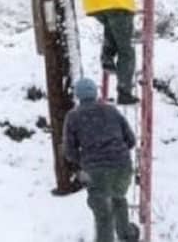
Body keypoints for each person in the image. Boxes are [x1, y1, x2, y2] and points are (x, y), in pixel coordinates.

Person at [64, 77, 140, 242]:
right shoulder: (111, 110)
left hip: (96, 170)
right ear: (95, 93)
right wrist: (116, 153)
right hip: (122, 166)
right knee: (118, 198)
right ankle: (127, 234)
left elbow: (69, 151)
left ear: (78, 96)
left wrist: (84, 160)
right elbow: (131, 140)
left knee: (103, 215)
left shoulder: (73, 117)